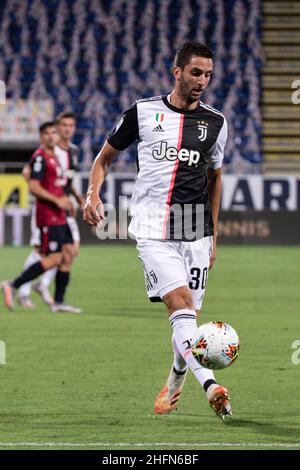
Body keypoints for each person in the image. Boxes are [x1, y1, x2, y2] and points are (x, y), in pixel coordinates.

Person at [83, 42, 230, 419]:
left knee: (189, 320)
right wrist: (92, 194)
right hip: (153, 230)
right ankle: (211, 385)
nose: (202, 81)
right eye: (196, 72)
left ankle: (175, 382)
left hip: (196, 232)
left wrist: (213, 236)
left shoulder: (216, 123)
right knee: (179, 305)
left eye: (208, 74)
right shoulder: (143, 112)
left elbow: (215, 179)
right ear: (177, 71)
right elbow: (105, 158)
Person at [1, 121, 81, 313]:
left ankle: (59, 302)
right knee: (54, 258)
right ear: (41, 136)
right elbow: (34, 186)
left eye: (54, 132)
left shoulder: (55, 157)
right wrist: (57, 200)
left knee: (69, 253)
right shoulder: (40, 158)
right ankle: (12, 285)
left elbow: (58, 184)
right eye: (47, 133)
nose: (51, 136)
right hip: (48, 214)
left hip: (60, 213)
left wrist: (68, 200)